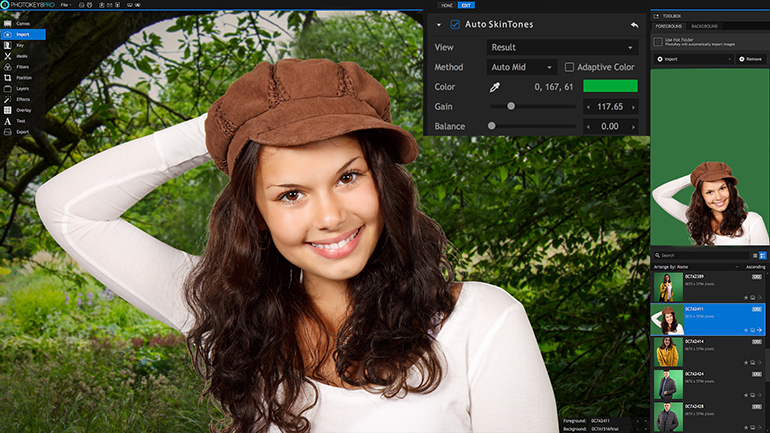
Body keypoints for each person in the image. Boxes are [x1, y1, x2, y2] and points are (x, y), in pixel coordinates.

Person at [35, 59, 558, 432]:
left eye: (349, 177)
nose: (330, 217)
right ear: (255, 217)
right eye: (290, 194)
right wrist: (228, 126)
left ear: (384, 182)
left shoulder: (483, 323)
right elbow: (66, 207)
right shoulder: (233, 320)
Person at [652, 161, 769, 245]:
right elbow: (659, 195)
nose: (718, 197)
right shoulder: (696, 220)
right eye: (709, 192)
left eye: (722, 188)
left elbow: (763, 267)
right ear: (701, 197)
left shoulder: (752, 221)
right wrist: (694, 177)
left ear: (730, 189)